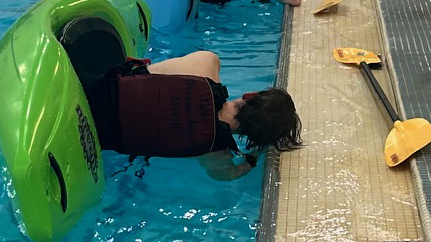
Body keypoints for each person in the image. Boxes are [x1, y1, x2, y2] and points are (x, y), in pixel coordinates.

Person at [87, 48, 301, 181]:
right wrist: (254, 157)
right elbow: (228, 175)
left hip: (89, 90)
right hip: (93, 137)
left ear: (250, 94)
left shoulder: (206, 63)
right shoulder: (214, 153)